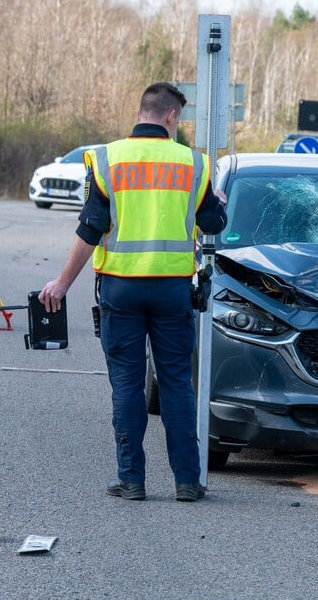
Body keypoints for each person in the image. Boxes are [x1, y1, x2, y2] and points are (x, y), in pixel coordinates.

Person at [39, 82, 227, 503]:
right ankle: (186, 482)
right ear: (171, 118)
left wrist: (62, 282)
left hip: (121, 291)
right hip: (172, 290)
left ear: (142, 112)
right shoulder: (193, 164)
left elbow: (91, 227)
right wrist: (219, 200)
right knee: (177, 384)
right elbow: (214, 225)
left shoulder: (107, 159)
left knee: (126, 385)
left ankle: (132, 480)